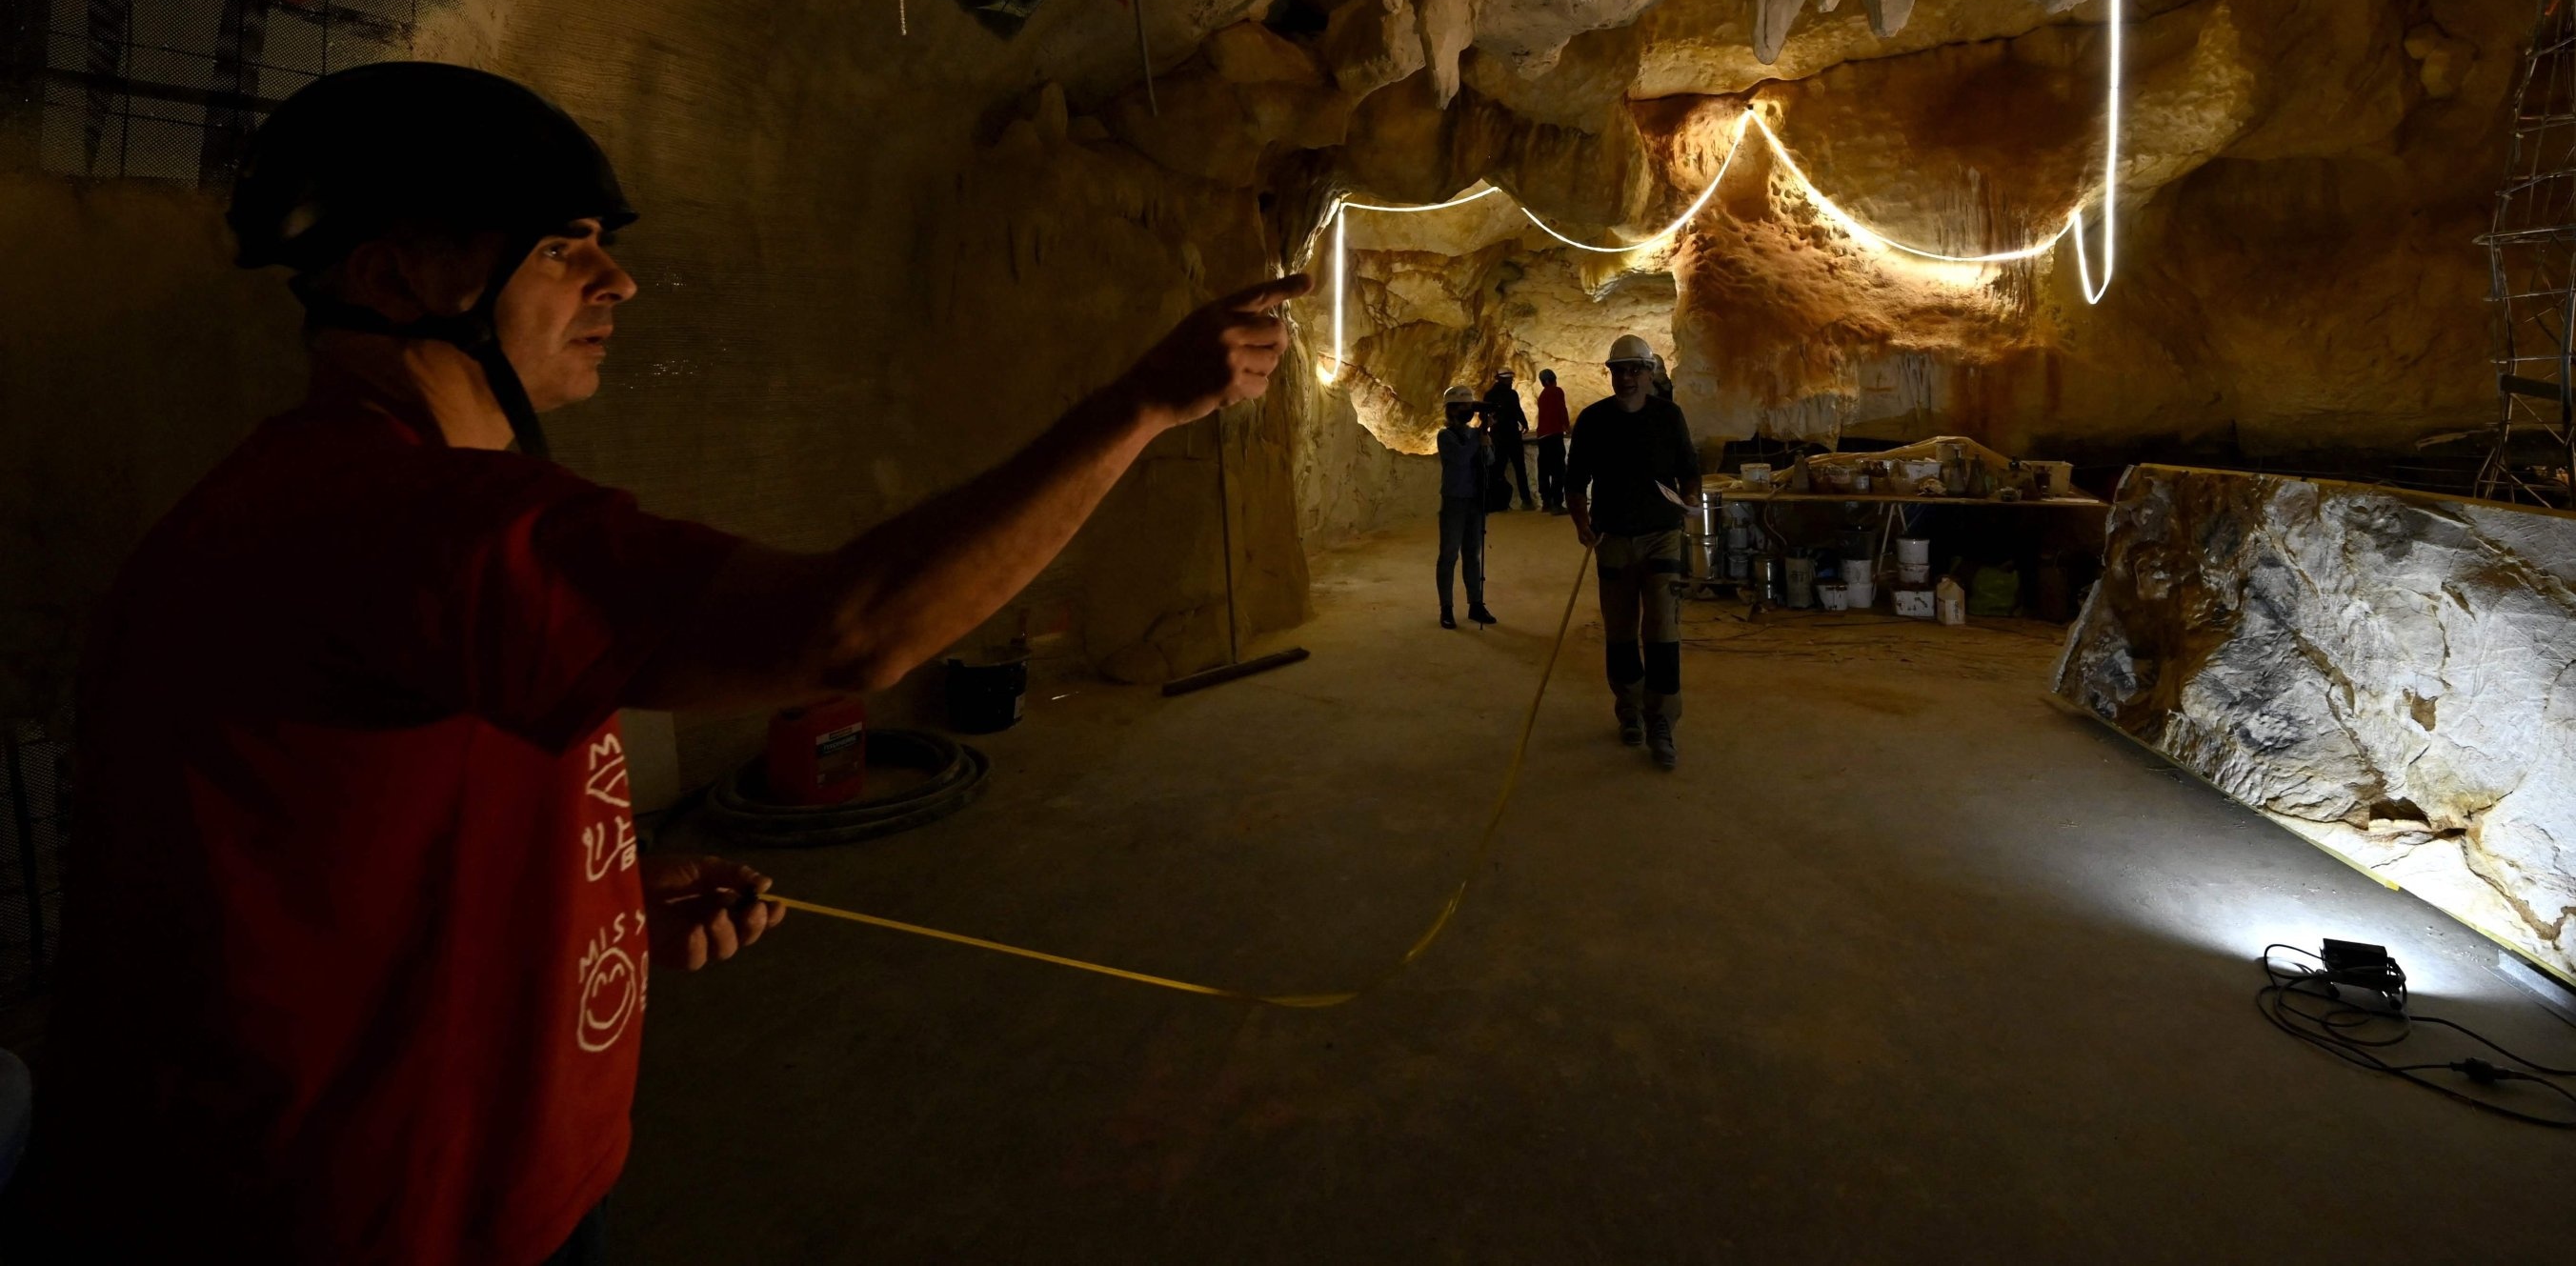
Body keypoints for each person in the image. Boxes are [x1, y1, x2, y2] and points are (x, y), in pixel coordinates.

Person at [22, 62, 1302, 1266]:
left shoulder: (350, 502)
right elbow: (848, 632)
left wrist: (603, 907)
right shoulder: (399, 522)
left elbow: (340, 857)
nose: (615, 283)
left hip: (477, 1189)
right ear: (399, 271)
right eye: (560, 248)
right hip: (383, 1222)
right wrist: (1143, 400)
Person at [1564, 333, 1701, 770]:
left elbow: (1688, 472)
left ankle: (1661, 720)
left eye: (1634, 370)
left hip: (1661, 533)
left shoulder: (1668, 417)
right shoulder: (1593, 420)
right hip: (1613, 537)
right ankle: (1629, 711)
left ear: (1650, 373)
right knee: (1621, 631)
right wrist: (1583, 524)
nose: (1626, 377)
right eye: (1618, 370)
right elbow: (1573, 482)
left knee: (1662, 628)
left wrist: (1690, 505)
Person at [1435, 384, 1498, 629]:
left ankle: (1476, 604)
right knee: (1448, 554)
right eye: (1462, 407)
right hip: (1454, 500)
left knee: (1472, 554)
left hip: (1474, 499)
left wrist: (1485, 438)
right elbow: (1460, 459)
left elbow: (1489, 459)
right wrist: (1479, 435)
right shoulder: (1445, 436)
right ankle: (1446, 608)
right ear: (1451, 410)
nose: (1467, 411)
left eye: (1468, 406)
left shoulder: (1474, 434)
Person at [1480, 368, 1533, 510]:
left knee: (1498, 470)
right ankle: (1526, 500)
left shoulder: (1490, 395)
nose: (1511, 381)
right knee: (1519, 468)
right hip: (1511, 435)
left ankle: (1498, 502)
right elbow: (1517, 411)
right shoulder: (1511, 394)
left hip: (1498, 436)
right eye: (1510, 379)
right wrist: (1524, 423)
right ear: (1504, 379)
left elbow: (1483, 416)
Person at [1533, 369, 1571, 511]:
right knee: (1558, 469)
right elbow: (1562, 409)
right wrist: (1566, 426)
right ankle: (1557, 503)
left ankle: (1546, 502)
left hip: (1542, 436)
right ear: (1553, 379)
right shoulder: (1557, 391)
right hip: (1554, 433)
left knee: (1544, 468)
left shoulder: (1542, 396)